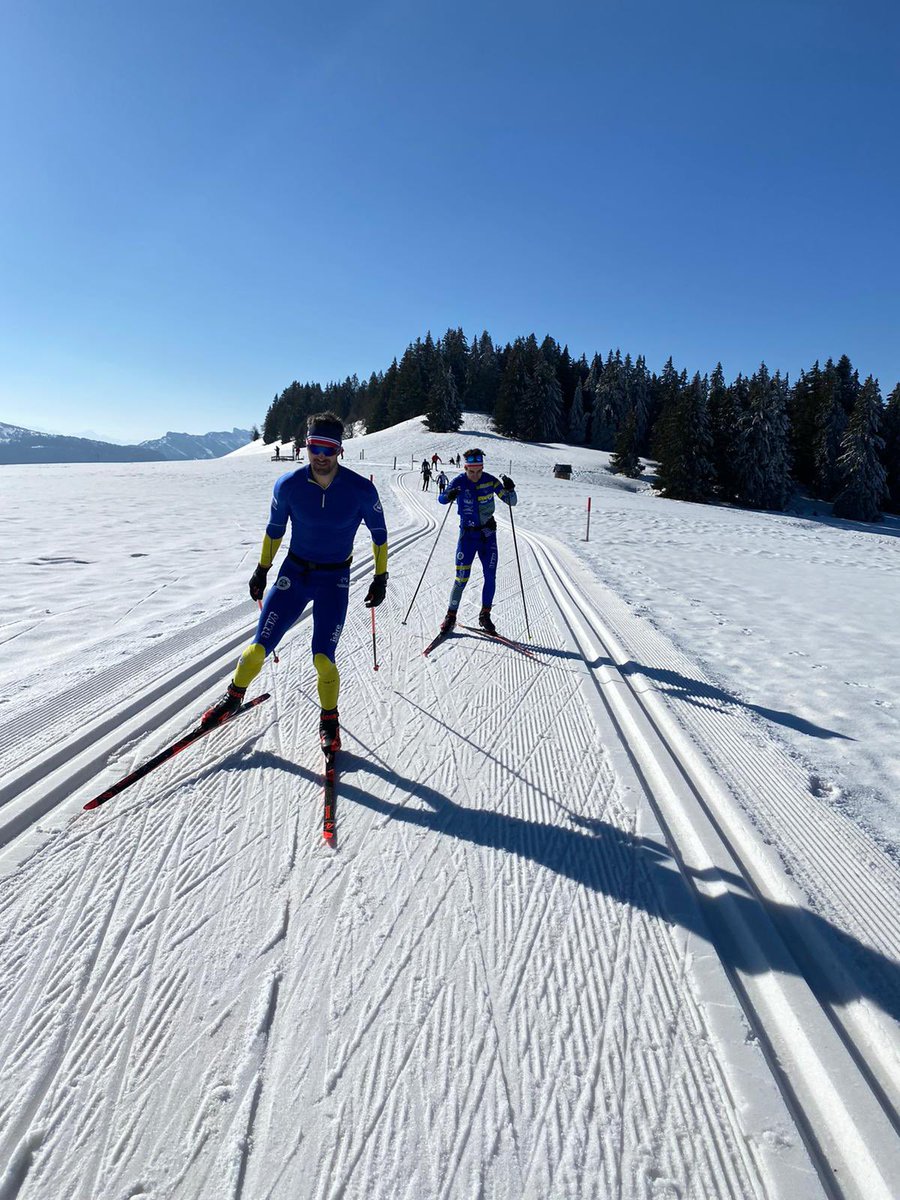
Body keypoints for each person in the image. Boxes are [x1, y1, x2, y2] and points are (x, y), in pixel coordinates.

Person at [201, 412, 388, 753]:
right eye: (315, 446)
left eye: (329, 448)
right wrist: (261, 569)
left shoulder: (361, 490)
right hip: (295, 574)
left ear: (340, 450)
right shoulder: (288, 486)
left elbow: (379, 535)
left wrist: (381, 576)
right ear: (307, 445)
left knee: (323, 658)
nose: (321, 455)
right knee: (258, 649)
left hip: (335, 580)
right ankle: (233, 697)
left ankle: (329, 719)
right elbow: (275, 530)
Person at [436, 448, 516, 636]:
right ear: (465, 468)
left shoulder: (490, 481)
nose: (475, 475)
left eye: (478, 471)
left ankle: (485, 615)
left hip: (488, 536)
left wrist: (511, 489)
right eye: (471, 471)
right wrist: (449, 495)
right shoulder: (459, 482)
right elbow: (441, 499)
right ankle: (450, 616)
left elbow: (512, 501)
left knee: (490, 576)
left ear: (482, 468)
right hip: (467, 536)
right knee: (461, 578)